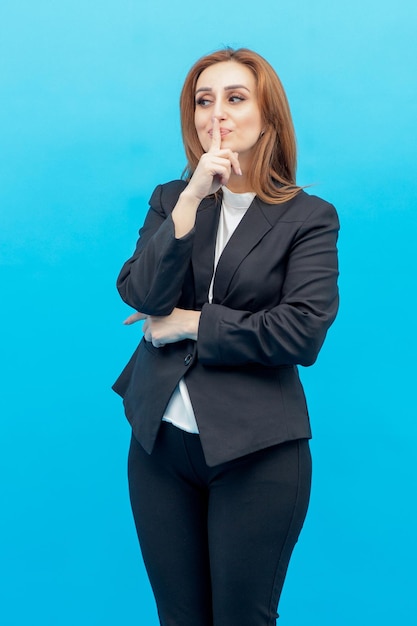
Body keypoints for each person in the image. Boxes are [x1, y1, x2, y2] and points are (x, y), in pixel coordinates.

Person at [113, 47, 339, 626]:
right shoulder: (171, 199)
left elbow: (301, 332)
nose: (217, 113)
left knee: (242, 617)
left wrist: (189, 323)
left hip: (257, 452)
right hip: (160, 445)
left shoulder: (308, 217)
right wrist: (191, 199)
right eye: (203, 101)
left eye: (235, 99)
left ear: (267, 115)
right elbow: (141, 294)